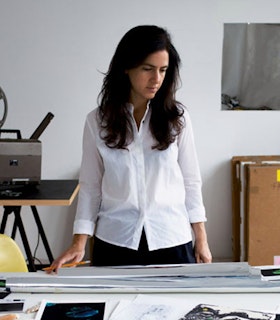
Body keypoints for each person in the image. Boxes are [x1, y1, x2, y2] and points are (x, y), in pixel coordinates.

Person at [49, 25, 212, 272]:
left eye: (163, 70)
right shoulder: (97, 121)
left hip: (171, 239)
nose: (156, 79)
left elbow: (191, 181)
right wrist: (79, 242)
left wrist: (201, 238)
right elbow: (91, 186)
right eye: (147, 69)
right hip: (115, 241)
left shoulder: (178, 118)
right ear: (126, 67)